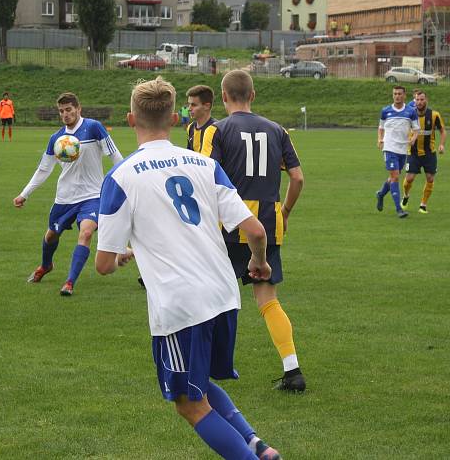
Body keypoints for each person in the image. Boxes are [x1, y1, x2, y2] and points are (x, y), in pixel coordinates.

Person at [95, 76, 282, 460]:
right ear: (177, 120)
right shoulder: (203, 164)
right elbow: (256, 229)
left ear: (131, 119)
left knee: (187, 402)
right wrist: (259, 262)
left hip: (181, 305)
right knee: (199, 384)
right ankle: (257, 446)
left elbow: (102, 265)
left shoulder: (121, 177)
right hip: (223, 293)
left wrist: (121, 256)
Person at [201, 70, 307, 392]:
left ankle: (201, 368)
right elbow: (298, 178)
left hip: (229, 222)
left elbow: (205, 177)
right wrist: (285, 211)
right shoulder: (278, 131)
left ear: (222, 96)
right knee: (268, 299)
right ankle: (292, 369)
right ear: (253, 94)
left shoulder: (216, 129)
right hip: (267, 221)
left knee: (209, 296)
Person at [13, 92, 123, 297]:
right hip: (65, 197)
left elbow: (115, 155)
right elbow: (43, 169)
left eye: (69, 110)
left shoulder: (94, 128)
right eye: (61, 111)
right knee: (51, 234)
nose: (65, 114)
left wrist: (127, 181)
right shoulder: (56, 139)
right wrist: (24, 194)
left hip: (92, 195)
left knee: (87, 233)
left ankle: (70, 282)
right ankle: (46, 265)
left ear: (78, 109)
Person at [376, 85, 420, 218]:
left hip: (403, 149)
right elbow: (381, 127)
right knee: (395, 177)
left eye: (400, 94)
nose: (397, 96)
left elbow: (416, 129)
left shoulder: (410, 111)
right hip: (389, 148)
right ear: (392, 95)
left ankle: (381, 194)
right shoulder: (386, 111)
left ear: (404, 95)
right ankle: (399, 209)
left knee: (393, 177)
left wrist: (413, 138)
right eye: (395, 94)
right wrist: (380, 139)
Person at [402, 90, 446, 214]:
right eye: (417, 100)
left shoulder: (434, 115)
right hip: (413, 152)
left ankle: (423, 205)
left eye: (422, 99)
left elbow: (442, 131)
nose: (419, 102)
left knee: (430, 178)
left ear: (426, 100)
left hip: (429, 153)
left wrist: (441, 145)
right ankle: (406, 195)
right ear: (414, 101)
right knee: (409, 179)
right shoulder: (410, 115)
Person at [185, 85, 217, 152]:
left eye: (193, 105)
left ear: (207, 106)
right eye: (189, 104)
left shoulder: (217, 129)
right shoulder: (190, 127)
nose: (189, 109)